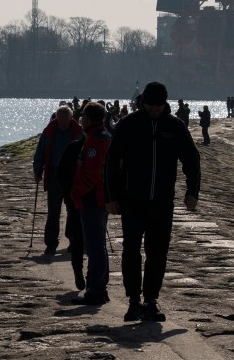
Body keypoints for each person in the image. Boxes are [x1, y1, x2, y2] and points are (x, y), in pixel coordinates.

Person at [105, 80, 201, 323]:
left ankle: (151, 300)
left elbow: (191, 159)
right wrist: (111, 197)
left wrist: (193, 191)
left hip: (162, 202)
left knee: (157, 253)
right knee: (131, 251)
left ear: (165, 104)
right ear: (143, 103)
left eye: (159, 107)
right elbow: (112, 162)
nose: (155, 110)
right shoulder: (129, 125)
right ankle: (133, 300)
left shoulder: (175, 127)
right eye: (150, 106)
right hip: (132, 200)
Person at [71, 102, 112, 306]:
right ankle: (99, 287)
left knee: (95, 247)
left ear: (90, 118)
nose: (80, 118)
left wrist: (76, 192)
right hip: (99, 199)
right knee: (99, 246)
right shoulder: (101, 136)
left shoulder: (96, 141)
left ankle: (96, 290)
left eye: (83, 115)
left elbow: (93, 174)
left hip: (93, 200)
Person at [32, 106, 84, 258]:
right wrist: (37, 170)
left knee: (73, 210)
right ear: (56, 118)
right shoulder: (49, 132)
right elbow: (40, 152)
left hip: (73, 175)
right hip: (55, 174)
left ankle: (73, 240)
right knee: (53, 211)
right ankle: (51, 244)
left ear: (70, 119)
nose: (62, 123)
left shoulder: (79, 131)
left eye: (65, 120)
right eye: (59, 120)